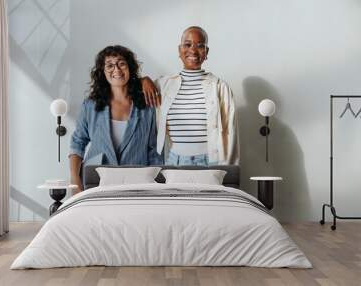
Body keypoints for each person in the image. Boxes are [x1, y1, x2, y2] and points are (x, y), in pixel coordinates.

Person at [142, 26, 239, 166]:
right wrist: (143, 80)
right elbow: (126, 86)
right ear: (179, 50)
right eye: (187, 45)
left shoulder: (220, 88)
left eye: (200, 46)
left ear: (206, 52)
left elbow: (231, 134)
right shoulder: (163, 85)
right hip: (173, 161)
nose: (193, 50)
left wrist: (230, 172)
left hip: (209, 162)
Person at [70, 45, 162, 193]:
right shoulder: (90, 106)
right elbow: (77, 145)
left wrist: (155, 186)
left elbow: (153, 150)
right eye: (110, 65)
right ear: (102, 71)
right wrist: (75, 183)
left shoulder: (147, 107)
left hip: (137, 183)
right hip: (96, 181)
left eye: (122, 64)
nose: (117, 70)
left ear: (130, 67)